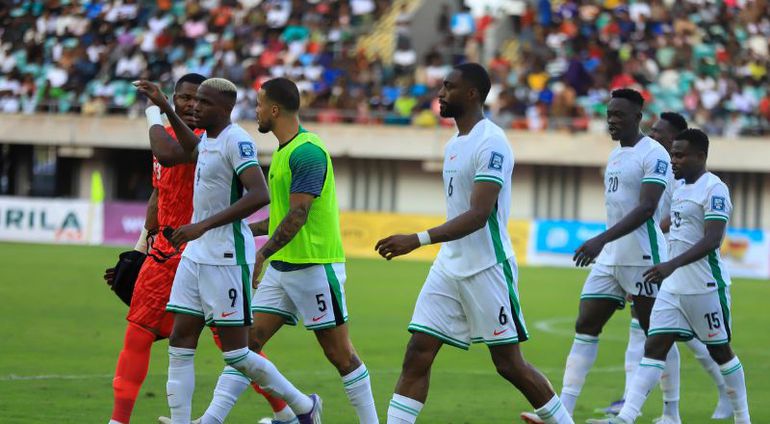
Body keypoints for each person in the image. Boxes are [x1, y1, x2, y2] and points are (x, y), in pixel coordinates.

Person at [375, 63, 573, 424]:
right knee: (418, 351)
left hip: (487, 268)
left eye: (448, 87)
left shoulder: (492, 141)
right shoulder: (453, 143)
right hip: (449, 267)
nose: (440, 94)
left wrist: (417, 240)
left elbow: (479, 214)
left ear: (471, 94)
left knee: (509, 365)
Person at [107, 73, 292, 424]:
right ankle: (121, 421)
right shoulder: (190, 135)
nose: (192, 106)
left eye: (199, 100)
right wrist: (138, 250)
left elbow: (166, 152)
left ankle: (290, 408)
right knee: (141, 335)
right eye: (185, 99)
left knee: (237, 350)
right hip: (167, 254)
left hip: (208, 251)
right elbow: (157, 196)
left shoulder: (201, 140)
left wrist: (155, 111)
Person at [195, 76, 379, 424]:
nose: (256, 111)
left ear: (275, 109)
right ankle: (211, 421)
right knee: (244, 347)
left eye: (260, 104)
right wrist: (245, 231)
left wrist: (261, 254)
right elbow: (280, 217)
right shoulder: (283, 151)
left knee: (340, 355)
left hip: (315, 267)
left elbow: (298, 214)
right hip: (284, 268)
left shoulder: (307, 151)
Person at [521, 88, 676, 424]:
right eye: (609, 115)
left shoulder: (655, 154)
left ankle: (659, 412)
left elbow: (647, 208)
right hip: (611, 259)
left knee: (656, 334)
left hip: (644, 258)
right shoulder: (616, 156)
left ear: (638, 117)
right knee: (585, 324)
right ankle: (563, 413)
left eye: (619, 115)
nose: (612, 121)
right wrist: (604, 245)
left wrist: (599, 240)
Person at [586, 129, 751, 424]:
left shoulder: (714, 189)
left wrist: (671, 264)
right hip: (673, 289)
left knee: (720, 351)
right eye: (673, 154)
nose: (673, 160)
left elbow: (713, 240)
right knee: (654, 348)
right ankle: (625, 417)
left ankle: (743, 417)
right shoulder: (680, 188)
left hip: (705, 286)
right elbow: (673, 230)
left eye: (680, 154)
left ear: (700, 156)